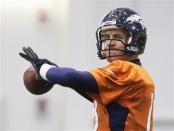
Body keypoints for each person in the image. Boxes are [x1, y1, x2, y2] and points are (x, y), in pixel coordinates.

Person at [19, 8, 155, 131]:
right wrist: (55, 72)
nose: (110, 42)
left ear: (136, 39)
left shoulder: (126, 70)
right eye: (106, 37)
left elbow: (70, 78)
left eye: (118, 37)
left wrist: (44, 69)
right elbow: (79, 84)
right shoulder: (134, 76)